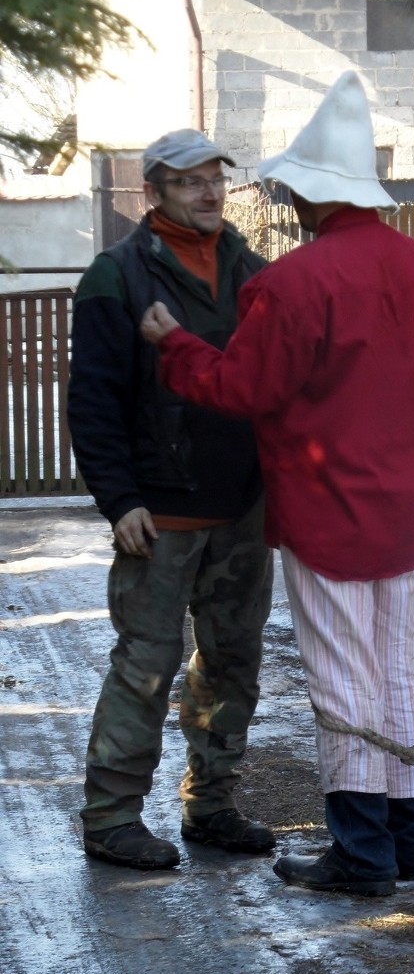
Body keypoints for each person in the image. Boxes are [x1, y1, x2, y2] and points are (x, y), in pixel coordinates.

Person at [140, 71, 414, 896]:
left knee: (343, 675)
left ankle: (360, 854)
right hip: (402, 507)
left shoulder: (292, 283)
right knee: (403, 668)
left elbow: (242, 390)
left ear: (310, 194)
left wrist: (175, 344)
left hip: (326, 510)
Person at [67, 128, 275, 870]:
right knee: (146, 665)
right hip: (157, 512)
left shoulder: (252, 270)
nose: (209, 192)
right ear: (153, 191)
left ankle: (212, 803)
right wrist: (118, 498)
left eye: (216, 178)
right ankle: (112, 816)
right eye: (190, 182)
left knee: (233, 661)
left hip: (241, 506)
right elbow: (92, 401)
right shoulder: (115, 275)